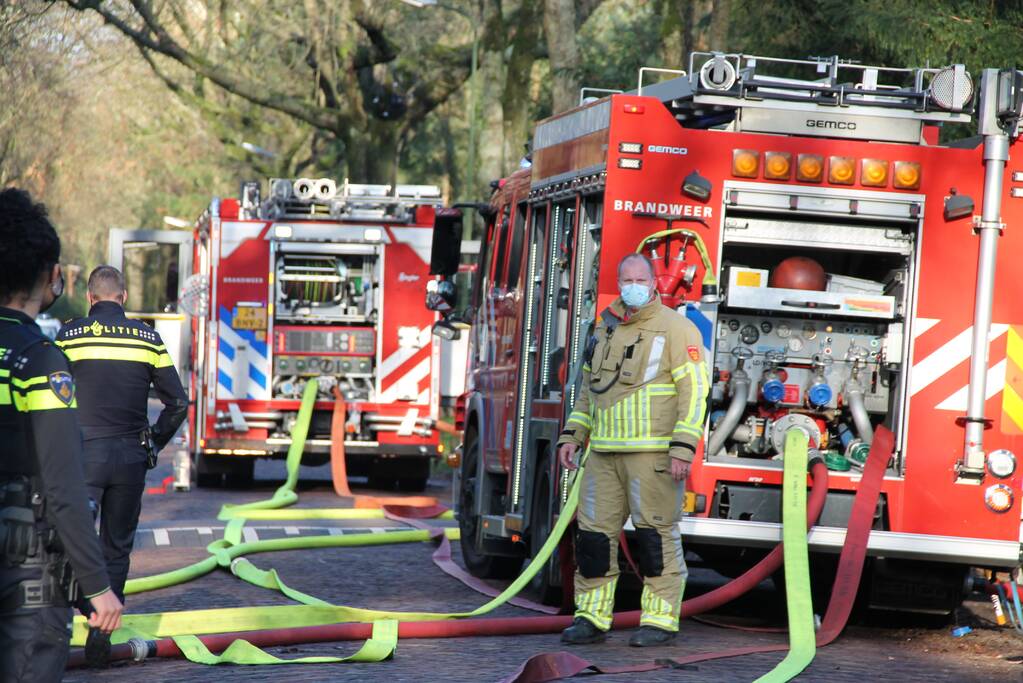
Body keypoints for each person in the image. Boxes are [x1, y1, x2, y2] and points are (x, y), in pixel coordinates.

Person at [0, 188, 122, 681]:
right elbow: (63, 487)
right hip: (26, 573)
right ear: (52, 276)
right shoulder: (41, 361)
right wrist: (96, 586)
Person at [556, 252, 709, 647]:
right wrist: (573, 436)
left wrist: (683, 448)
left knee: (654, 539)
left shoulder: (677, 329)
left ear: (655, 281)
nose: (634, 286)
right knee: (593, 539)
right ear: (619, 281)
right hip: (603, 455)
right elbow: (588, 392)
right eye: (627, 280)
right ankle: (590, 616)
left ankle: (659, 621)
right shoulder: (604, 327)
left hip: (654, 455)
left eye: (641, 279)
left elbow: (695, 392)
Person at [55, 265, 187, 665]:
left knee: (70, 538)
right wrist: (153, 444)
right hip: (130, 457)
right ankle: (102, 629)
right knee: (117, 547)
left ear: (91, 298)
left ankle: (69, 615)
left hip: (83, 455)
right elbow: (177, 403)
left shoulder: (69, 335)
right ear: (124, 297)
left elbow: (52, 395)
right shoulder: (147, 338)